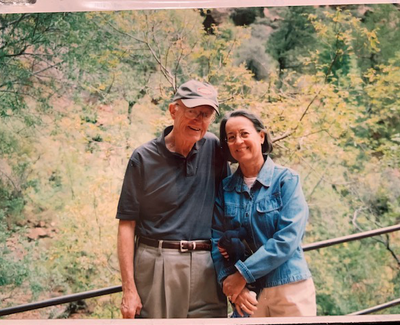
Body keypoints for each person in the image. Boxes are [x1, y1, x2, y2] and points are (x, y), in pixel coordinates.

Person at [116, 80, 229, 319]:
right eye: (192, 112)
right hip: (157, 263)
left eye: (206, 114)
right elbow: (127, 225)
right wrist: (128, 289)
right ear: (173, 110)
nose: (199, 121)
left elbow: (231, 208)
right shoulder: (143, 157)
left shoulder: (215, 150)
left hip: (207, 265)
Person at [211, 109, 316, 317]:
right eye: (231, 138)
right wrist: (231, 282)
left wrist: (242, 274)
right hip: (248, 296)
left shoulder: (287, 180)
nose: (238, 141)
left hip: (289, 288)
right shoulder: (224, 189)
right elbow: (216, 241)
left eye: (244, 134)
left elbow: (288, 238)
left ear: (261, 136)